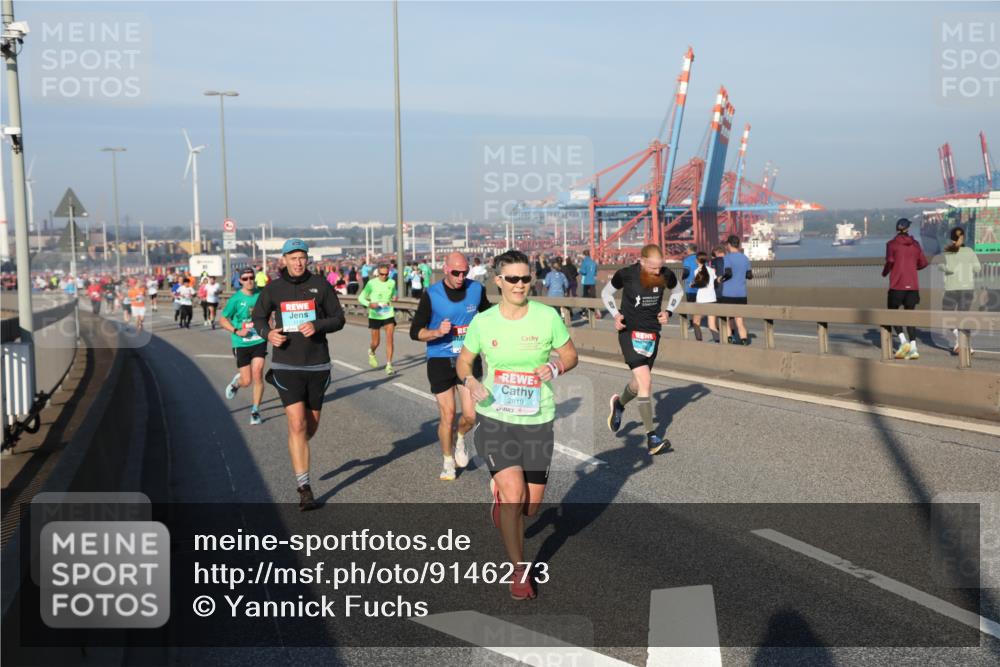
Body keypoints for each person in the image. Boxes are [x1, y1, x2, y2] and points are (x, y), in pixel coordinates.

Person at [457, 249, 578, 600]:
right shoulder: (484, 322)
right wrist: (469, 382)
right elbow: (464, 363)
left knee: (531, 507)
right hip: (496, 418)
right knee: (515, 496)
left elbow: (570, 355)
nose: (520, 284)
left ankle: (502, 498)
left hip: (538, 420)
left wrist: (556, 368)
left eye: (526, 278)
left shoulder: (546, 317)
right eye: (512, 279)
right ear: (498, 281)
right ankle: (519, 571)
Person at [253, 239, 346, 511]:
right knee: (296, 425)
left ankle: (298, 447)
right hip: (286, 366)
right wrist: (267, 333)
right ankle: (304, 488)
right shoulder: (273, 288)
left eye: (302, 257)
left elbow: (338, 318)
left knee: (309, 427)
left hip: (317, 365)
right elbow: (258, 318)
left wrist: (317, 325)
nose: (298, 262)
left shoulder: (320, 285)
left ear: (307, 259)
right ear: (283, 260)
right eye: (292, 258)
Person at [410, 252, 492, 481]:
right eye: (456, 272)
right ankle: (447, 461)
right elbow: (415, 331)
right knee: (447, 415)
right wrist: (436, 332)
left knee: (470, 415)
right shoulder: (432, 294)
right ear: (445, 269)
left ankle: (460, 438)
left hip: (468, 359)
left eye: (464, 272)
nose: (460, 276)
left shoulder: (476, 290)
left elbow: (488, 317)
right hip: (439, 359)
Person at [602, 243, 683, 454]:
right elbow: (606, 293)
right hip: (629, 332)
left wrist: (669, 312)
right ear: (642, 261)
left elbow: (678, 291)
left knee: (638, 385)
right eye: (653, 268)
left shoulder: (665, 274)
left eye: (660, 267)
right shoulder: (626, 274)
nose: (658, 272)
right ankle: (652, 437)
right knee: (646, 381)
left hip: (652, 334)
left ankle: (619, 404)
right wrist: (616, 315)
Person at [221, 268, 267, 425]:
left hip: (259, 339)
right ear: (240, 281)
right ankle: (237, 383)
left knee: (258, 372)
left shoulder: (261, 295)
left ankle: (255, 411)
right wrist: (236, 330)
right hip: (241, 343)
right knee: (247, 381)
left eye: (251, 277)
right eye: (245, 278)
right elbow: (223, 320)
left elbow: (270, 310)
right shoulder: (235, 299)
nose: (249, 281)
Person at [882, 218, 929, 360]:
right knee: (910, 315)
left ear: (897, 229)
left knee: (892, 314)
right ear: (908, 228)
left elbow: (890, 261)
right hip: (913, 286)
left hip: (897, 285)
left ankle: (903, 342)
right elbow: (923, 263)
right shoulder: (915, 245)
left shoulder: (891, 244)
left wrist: (885, 272)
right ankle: (914, 347)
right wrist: (913, 268)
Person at [940, 226, 981, 355]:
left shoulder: (948, 251)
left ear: (952, 239)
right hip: (968, 288)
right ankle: (966, 345)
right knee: (964, 316)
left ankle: (959, 340)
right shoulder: (969, 251)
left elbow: (950, 269)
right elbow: (977, 269)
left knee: (947, 315)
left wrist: (941, 267)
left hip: (952, 288)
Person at [357, 263, 398, 375]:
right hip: (375, 315)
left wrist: (395, 296)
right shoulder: (371, 283)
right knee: (376, 342)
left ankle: (389, 365)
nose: (384, 276)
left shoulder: (392, 282)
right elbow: (361, 298)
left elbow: (394, 292)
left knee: (390, 338)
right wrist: (370, 304)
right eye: (381, 274)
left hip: (388, 313)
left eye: (386, 274)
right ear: (377, 273)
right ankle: (371, 351)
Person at [719, 235, 753, 345]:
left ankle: (730, 338)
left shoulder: (727, 258)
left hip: (728, 294)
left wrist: (721, 279)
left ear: (728, 245)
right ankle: (744, 340)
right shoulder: (745, 258)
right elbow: (749, 275)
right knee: (739, 320)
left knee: (728, 319)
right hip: (741, 294)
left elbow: (728, 273)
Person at [693, 251, 720, 342]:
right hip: (712, 299)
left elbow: (699, 284)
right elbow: (715, 283)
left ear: (697, 260)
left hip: (701, 300)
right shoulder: (712, 270)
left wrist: (693, 285)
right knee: (712, 325)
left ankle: (699, 342)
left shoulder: (696, 271)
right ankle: (718, 342)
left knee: (696, 322)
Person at [680, 243, 703, 341]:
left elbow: (686, 272)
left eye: (687, 249)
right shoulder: (700, 258)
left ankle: (692, 325)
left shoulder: (687, 260)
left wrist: (682, 277)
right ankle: (698, 323)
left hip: (690, 287)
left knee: (691, 306)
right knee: (699, 306)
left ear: (689, 250)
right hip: (701, 286)